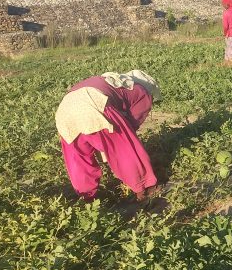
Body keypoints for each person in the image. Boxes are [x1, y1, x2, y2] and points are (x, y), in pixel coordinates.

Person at [55, 70, 162, 202]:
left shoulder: (108, 80)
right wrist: (111, 143)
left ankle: (87, 198)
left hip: (64, 112)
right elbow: (131, 124)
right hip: (95, 104)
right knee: (124, 147)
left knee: (78, 158)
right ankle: (144, 188)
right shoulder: (142, 92)